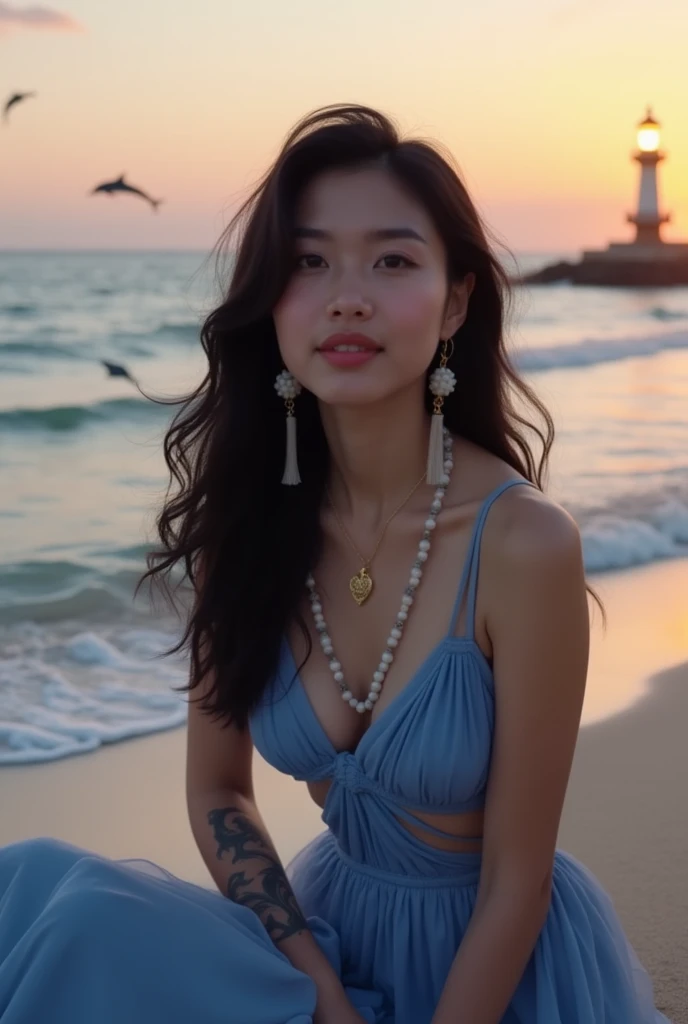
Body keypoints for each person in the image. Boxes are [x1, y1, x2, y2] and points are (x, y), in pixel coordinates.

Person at [0, 104, 671, 1024]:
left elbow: (518, 881)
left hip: (494, 975)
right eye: (309, 262)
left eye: (392, 260)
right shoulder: (249, 525)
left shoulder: (522, 544)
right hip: (316, 945)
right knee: (56, 902)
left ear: (458, 300)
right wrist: (319, 993)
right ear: (270, 299)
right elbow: (218, 791)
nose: (346, 295)